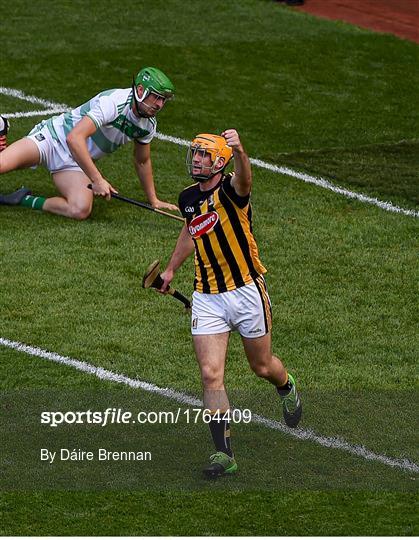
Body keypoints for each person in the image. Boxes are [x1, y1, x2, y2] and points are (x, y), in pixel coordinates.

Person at [158, 130, 302, 479]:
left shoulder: (232, 192)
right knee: (210, 375)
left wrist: (240, 150)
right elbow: (191, 229)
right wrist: (171, 268)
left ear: (221, 162)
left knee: (263, 366)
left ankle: (286, 386)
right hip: (206, 296)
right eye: (195, 153)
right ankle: (224, 454)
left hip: (246, 291)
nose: (196, 159)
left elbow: (246, 179)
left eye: (205, 155)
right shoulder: (188, 198)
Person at [0, 67, 178, 219]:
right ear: (140, 90)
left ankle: (21, 199)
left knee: (80, 210)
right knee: (2, 164)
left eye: (163, 100)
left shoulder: (148, 125)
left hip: (76, 161)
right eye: (156, 97)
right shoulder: (114, 102)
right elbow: (74, 138)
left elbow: (142, 161)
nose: (160, 104)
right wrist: (97, 180)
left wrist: (154, 200)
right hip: (52, 139)